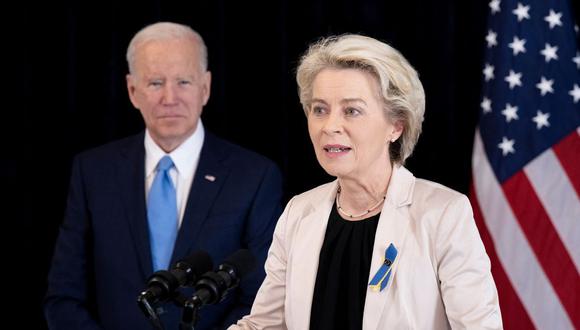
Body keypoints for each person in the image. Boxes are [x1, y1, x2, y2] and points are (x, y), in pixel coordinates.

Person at [230, 34, 502, 329]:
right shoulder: (299, 212)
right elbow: (265, 325)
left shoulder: (443, 214)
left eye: (352, 111)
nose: (330, 126)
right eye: (320, 109)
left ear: (396, 126)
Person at [44, 22, 283, 330]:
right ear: (132, 90)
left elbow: (261, 300)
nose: (170, 98)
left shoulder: (254, 176)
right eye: (155, 83)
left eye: (183, 81)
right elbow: (64, 297)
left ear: (205, 87)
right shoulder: (93, 172)